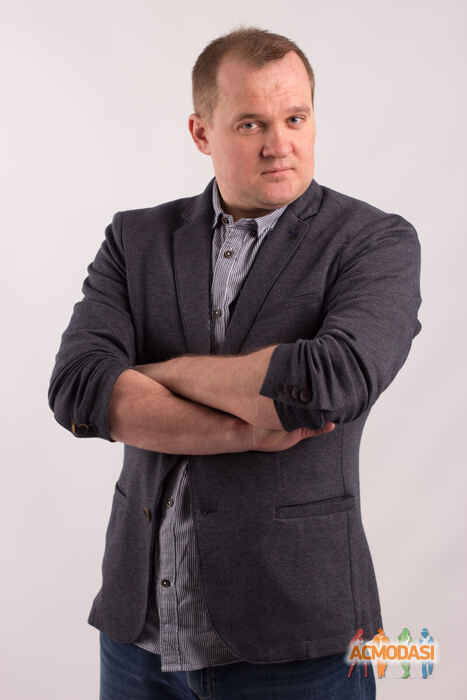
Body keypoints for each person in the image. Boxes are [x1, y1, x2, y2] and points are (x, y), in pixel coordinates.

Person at [47, 25, 422, 700]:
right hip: (140, 636)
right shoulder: (135, 239)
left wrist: (159, 372)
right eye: (251, 124)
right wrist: (248, 427)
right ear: (201, 133)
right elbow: (79, 389)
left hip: (300, 640)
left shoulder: (372, 242)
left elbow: (324, 385)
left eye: (295, 118)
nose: (279, 144)